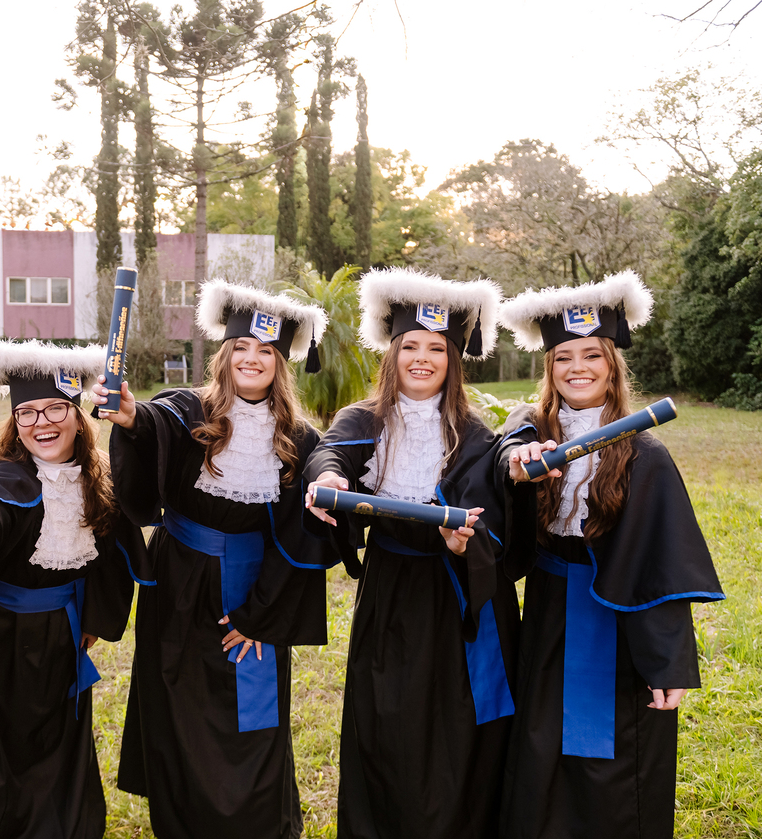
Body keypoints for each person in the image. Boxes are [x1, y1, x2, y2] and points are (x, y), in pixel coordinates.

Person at [93, 280, 334, 839]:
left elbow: (303, 535)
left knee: (254, 718)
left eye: (266, 352)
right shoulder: (187, 409)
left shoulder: (297, 437)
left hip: (257, 589)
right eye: (241, 349)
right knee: (179, 703)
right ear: (224, 355)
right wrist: (130, 419)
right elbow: (151, 426)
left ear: (281, 363)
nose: (252, 359)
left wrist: (263, 615)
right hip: (179, 582)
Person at [495, 271, 723, 839]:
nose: (578, 368)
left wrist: (668, 664)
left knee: (617, 756)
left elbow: (661, 564)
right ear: (548, 368)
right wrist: (514, 465)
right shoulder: (528, 432)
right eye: (564, 356)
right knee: (543, 740)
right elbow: (496, 473)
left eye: (592, 355)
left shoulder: (645, 452)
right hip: (549, 615)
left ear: (612, 364)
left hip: (620, 624)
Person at [303, 267, 516, 839]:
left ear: (453, 360)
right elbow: (329, 459)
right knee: (385, 717)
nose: (422, 358)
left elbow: (490, 511)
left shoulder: (474, 434)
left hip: (454, 594)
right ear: (392, 353)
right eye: (410, 346)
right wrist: (328, 483)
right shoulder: (363, 418)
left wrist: (461, 539)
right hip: (391, 588)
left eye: (437, 349)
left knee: (450, 724)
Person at [0, 339, 141, 839]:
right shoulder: (6, 476)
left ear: (78, 415)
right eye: (27, 413)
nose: (42, 423)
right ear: (14, 423)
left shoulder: (96, 480)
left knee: (52, 743)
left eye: (56, 408)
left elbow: (110, 553)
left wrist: (94, 622)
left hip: (58, 632)